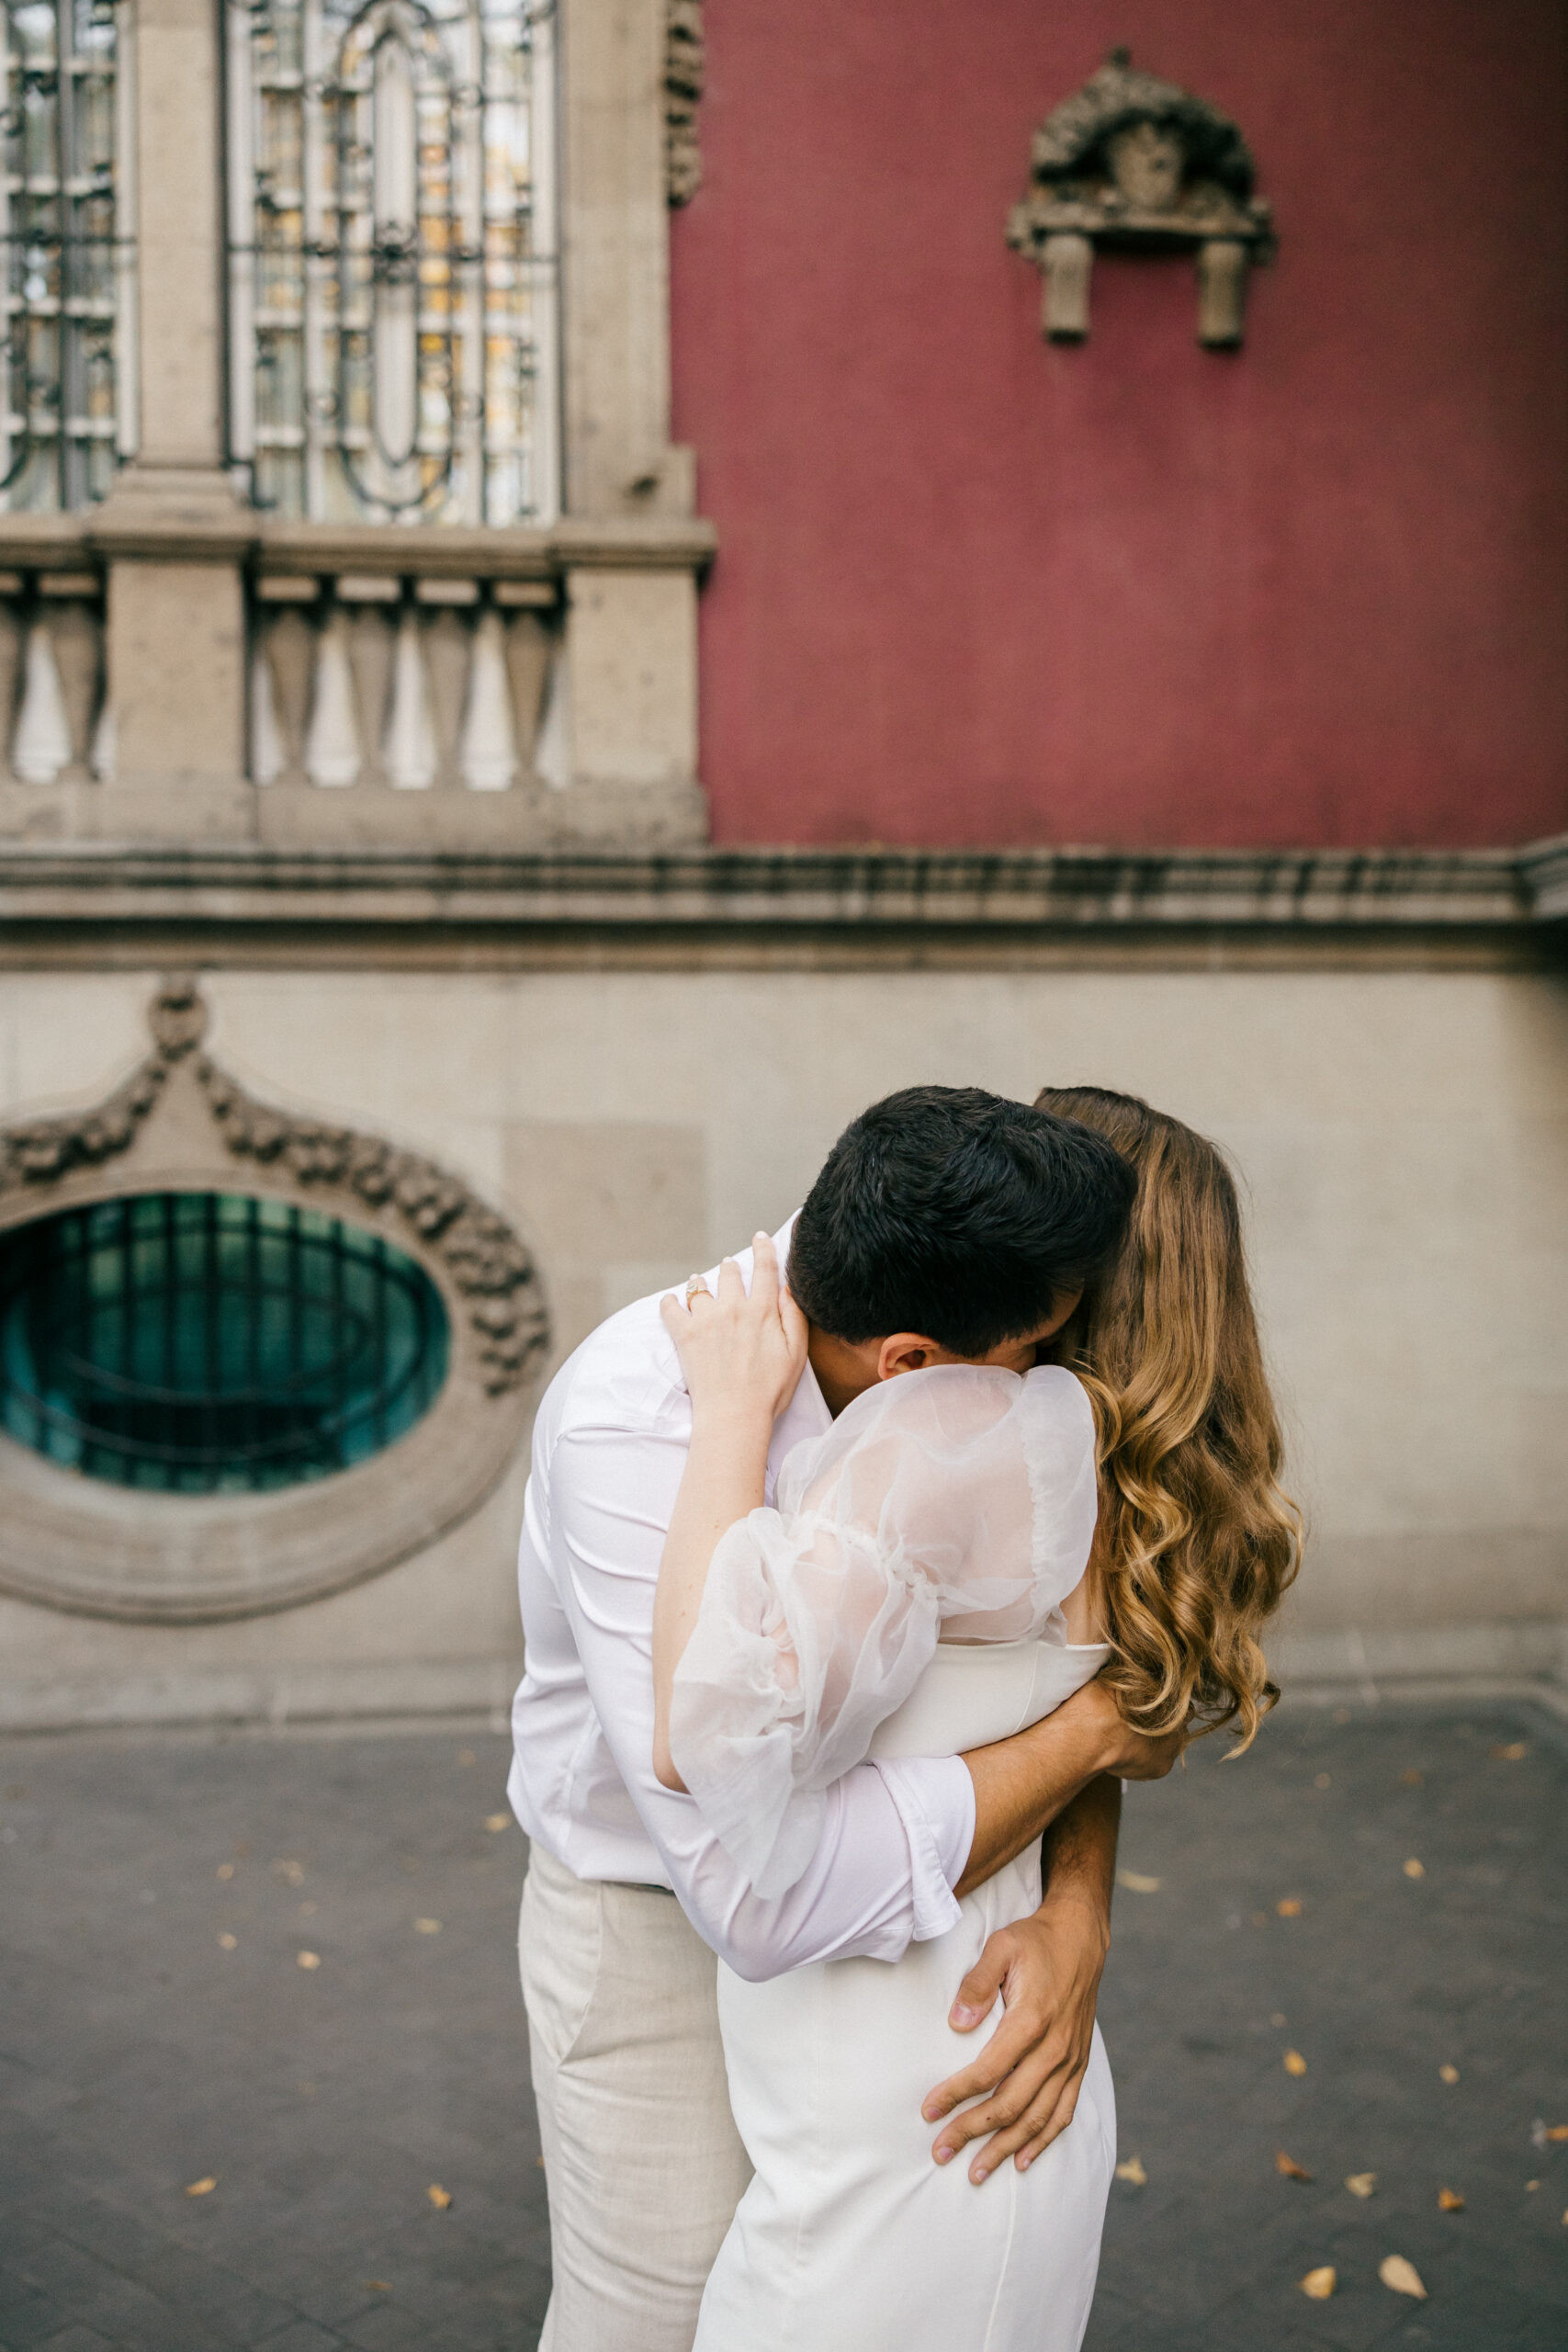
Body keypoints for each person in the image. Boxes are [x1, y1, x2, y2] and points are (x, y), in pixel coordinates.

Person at [508, 1087, 1187, 2352]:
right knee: (648, 2327)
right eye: (1035, 1351)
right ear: (914, 1364)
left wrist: (1077, 1905)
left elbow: (1055, 1660)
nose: (1046, 1380)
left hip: (913, 1934)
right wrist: (1093, 1734)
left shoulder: (963, 1250)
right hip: (660, 1921)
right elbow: (752, 1890)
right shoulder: (636, 1425)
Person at [652, 1086, 1301, 2350]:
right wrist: (1081, 1905)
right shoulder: (1106, 1475)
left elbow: (702, 1736)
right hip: (972, 2071)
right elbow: (1095, 1722)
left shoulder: (962, 1435)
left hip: (921, 2094)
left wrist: (729, 1418)